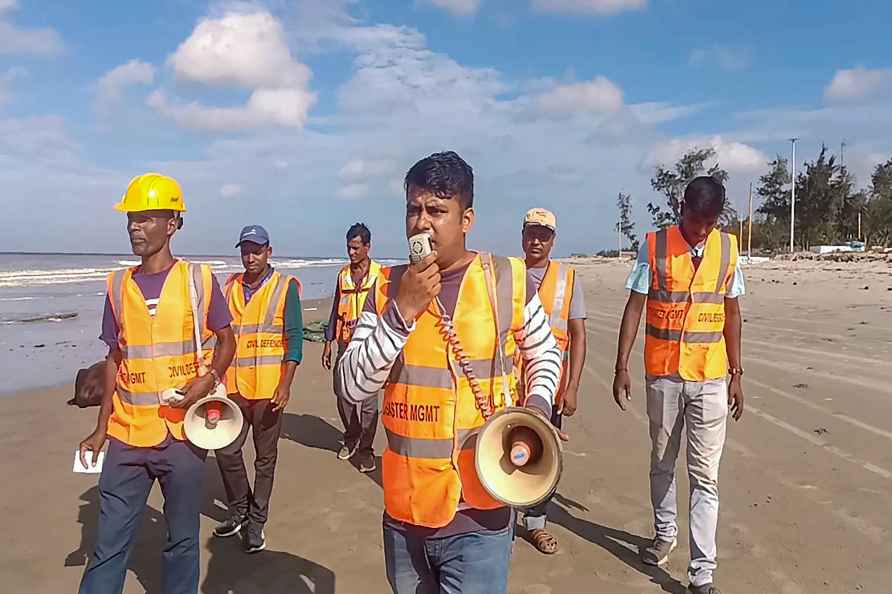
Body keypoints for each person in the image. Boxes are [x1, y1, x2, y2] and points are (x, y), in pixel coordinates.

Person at [336, 151, 563, 594]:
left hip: (482, 510)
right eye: (413, 210)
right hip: (406, 512)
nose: (422, 223)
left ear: (466, 219)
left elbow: (545, 354)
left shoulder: (507, 280)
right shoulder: (386, 287)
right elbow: (352, 384)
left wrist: (534, 412)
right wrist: (401, 311)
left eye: (437, 211)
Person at [77, 173, 236, 594]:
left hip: (181, 436)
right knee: (108, 546)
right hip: (127, 435)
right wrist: (100, 428)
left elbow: (226, 339)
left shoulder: (199, 280)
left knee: (182, 542)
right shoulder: (116, 286)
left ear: (173, 224)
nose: (134, 227)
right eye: (132, 218)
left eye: (146, 219)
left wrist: (209, 379)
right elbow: (114, 360)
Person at [612, 176, 745, 594]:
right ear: (680, 206)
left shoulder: (727, 249)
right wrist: (621, 366)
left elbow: (733, 312)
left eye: (709, 222)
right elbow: (634, 307)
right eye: (694, 219)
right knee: (662, 462)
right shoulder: (653, 246)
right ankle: (664, 534)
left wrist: (737, 373)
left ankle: (702, 571)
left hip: (710, 378)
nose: (701, 229)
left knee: (705, 475)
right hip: (664, 376)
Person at [212, 225, 303, 553]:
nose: (250, 257)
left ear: (269, 252)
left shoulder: (284, 287)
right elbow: (219, 335)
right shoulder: (229, 286)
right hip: (234, 387)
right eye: (245, 250)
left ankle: (257, 522)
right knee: (225, 449)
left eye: (257, 250)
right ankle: (239, 509)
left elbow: (294, 338)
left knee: (265, 459)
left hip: (268, 391)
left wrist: (285, 384)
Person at [518, 207, 587, 555]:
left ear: (552, 240)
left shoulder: (568, 278)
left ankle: (535, 524)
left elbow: (578, 334)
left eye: (543, 235)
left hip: (550, 388)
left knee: (543, 457)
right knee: (502, 451)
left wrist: (572, 385)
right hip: (508, 385)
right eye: (531, 232)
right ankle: (497, 520)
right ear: (522, 234)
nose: (536, 240)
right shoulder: (508, 276)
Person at [322, 223, 382, 473]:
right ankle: (352, 434)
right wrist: (328, 342)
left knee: (369, 402)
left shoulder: (381, 275)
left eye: (356, 247)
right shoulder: (342, 275)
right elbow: (336, 308)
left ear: (367, 247)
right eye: (349, 247)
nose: (351, 252)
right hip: (345, 343)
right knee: (343, 393)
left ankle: (367, 450)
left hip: (371, 346)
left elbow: (388, 310)